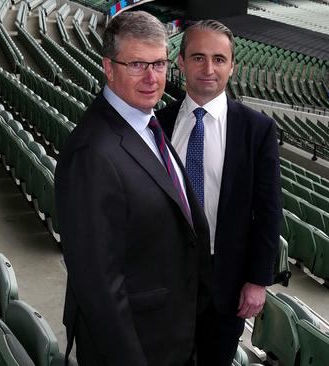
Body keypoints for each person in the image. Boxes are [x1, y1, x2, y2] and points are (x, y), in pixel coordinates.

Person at [55, 11, 211, 366]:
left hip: (171, 333)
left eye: (158, 64)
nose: (151, 78)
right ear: (108, 68)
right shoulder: (92, 153)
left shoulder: (147, 123)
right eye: (137, 64)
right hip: (137, 347)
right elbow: (98, 285)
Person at [156, 20, 281, 366]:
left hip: (225, 281)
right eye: (198, 58)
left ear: (232, 66)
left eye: (218, 59)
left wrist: (257, 280)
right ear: (180, 62)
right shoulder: (156, 124)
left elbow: (268, 211)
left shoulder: (257, 130)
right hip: (164, 274)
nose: (208, 69)